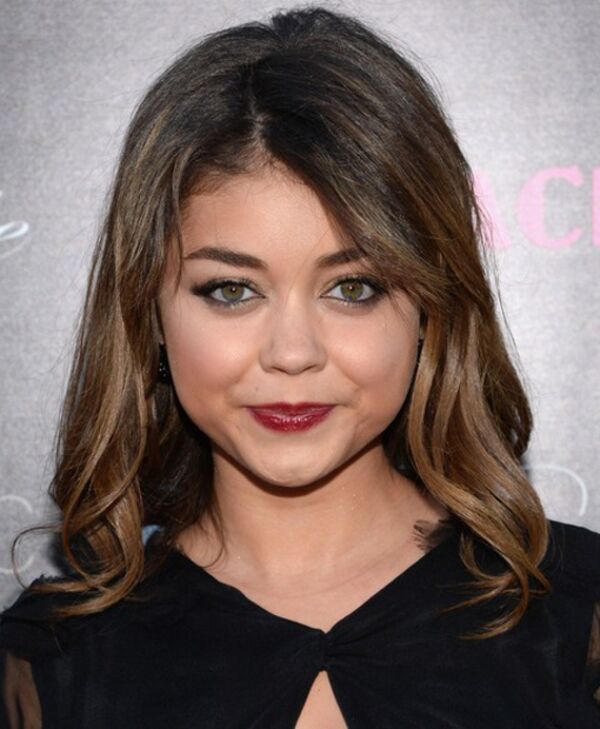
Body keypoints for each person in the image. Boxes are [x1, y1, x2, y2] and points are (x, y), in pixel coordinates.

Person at [1, 5, 599, 728]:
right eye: (232, 290)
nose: (292, 353)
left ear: (430, 307)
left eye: (353, 288)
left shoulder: (578, 618)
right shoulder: (47, 663)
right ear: (148, 312)